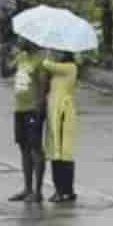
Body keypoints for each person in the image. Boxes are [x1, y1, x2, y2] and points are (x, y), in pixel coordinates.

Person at [0, 38, 47, 202]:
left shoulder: (41, 60)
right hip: (19, 109)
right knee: (23, 148)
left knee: (36, 149)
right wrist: (4, 56)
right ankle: (27, 189)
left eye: (23, 38)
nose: (19, 40)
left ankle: (38, 191)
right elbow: (5, 73)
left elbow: (43, 86)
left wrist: (40, 109)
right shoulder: (21, 57)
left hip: (33, 110)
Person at [42, 51, 80, 203]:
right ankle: (62, 190)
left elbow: (46, 64)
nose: (56, 55)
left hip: (63, 113)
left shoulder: (70, 67)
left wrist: (46, 54)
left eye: (59, 52)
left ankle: (64, 190)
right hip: (54, 112)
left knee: (63, 154)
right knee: (56, 152)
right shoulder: (58, 71)